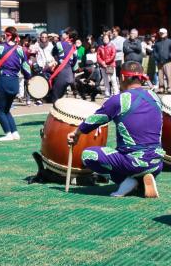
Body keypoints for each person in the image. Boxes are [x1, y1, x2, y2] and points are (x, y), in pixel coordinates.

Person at [67, 61, 162, 198]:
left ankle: (126, 182)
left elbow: (96, 119)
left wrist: (77, 132)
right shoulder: (156, 97)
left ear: (122, 78)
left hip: (133, 163)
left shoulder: (120, 99)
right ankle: (142, 180)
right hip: (157, 163)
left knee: (89, 155)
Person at [0, 27, 32, 141]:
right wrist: (28, 77)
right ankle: (15, 132)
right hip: (15, 81)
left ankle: (8, 134)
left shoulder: (1, 47)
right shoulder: (20, 49)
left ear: (8, 35)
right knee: (6, 109)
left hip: (5, 79)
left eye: (5, 34)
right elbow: (25, 66)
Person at [50, 30, 79, 102]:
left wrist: (57, 60)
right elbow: (75, 64)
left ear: (67, 35)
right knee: (59, 96)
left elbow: (52, 53)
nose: (61, 35)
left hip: (62, 71)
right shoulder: (74, 47)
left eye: (63, 33)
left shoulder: (59, 44)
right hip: (69, 74)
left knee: (55, 97)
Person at [153, 28, 171, 94]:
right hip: (159, 61)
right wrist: (157, 57)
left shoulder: (170, 41)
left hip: (167, 61)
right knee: (160, 76)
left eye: (162, 33)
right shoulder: (157, 42)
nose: (161, 34)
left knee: (168, 75)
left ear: (166, 33)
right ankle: (161, 88)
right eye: (160, 33)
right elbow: (155, 51)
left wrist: (169, 57)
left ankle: (169, 88)